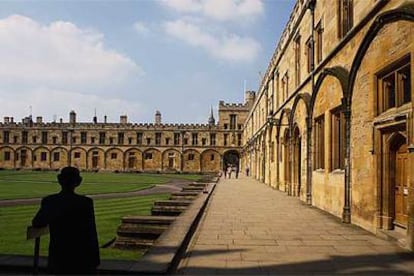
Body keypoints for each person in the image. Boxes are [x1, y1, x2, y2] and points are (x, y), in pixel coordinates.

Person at [32, 166, 100, 275]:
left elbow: (37, 222)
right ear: (78, 182)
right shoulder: (85, 202)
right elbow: (91, 232)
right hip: (80, 255)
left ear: (59, 179)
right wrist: (95, 261)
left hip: (58, 253)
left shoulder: (50, 201)